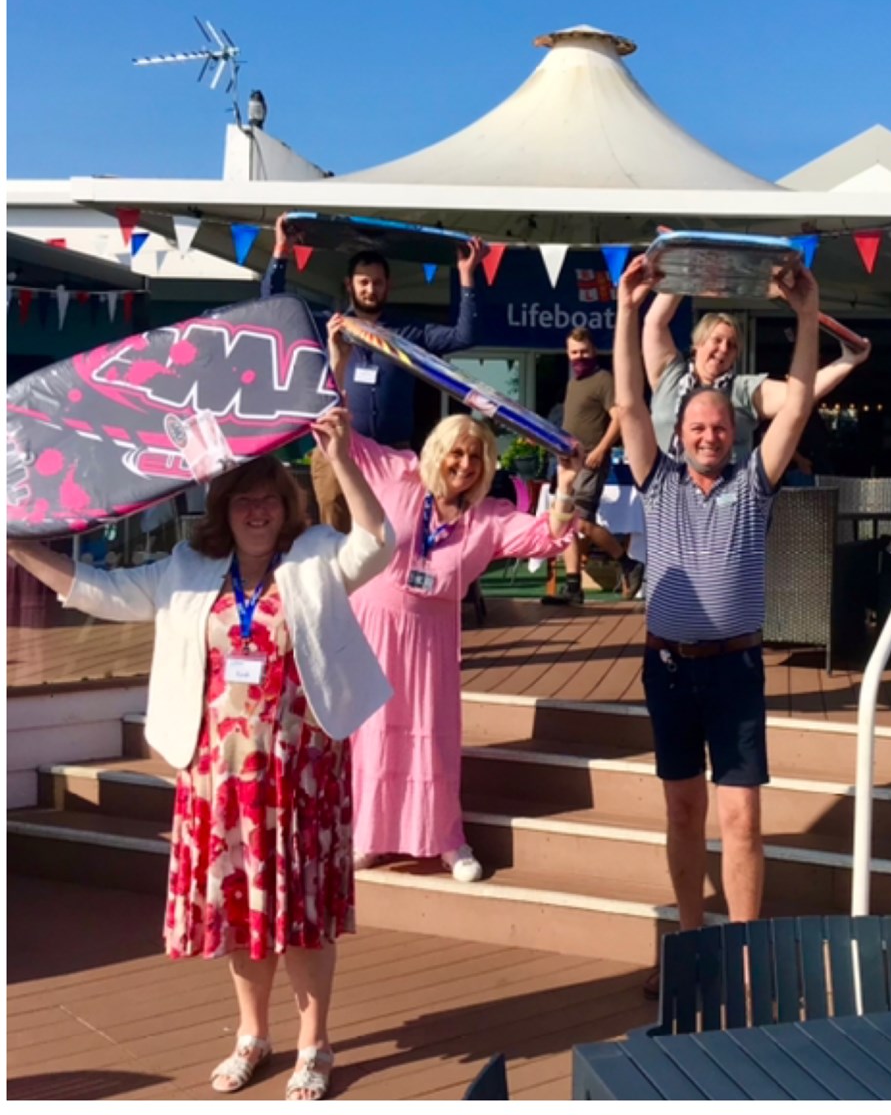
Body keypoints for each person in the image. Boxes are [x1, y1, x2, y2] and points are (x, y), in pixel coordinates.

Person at [6, 408, 393, 1100]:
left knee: (301, 914)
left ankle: (315, 1043)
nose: (257, 509)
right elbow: (99, 591)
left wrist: (341, 459)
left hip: (299, 774)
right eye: (243, 498)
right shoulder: (189, 567)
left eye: (269, 498)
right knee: (242, 911)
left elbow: (378, 543)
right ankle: (252, 1034)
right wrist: (13, 544)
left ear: (286, 506)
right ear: (222, 508)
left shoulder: (313, 559)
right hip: (218, 777)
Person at [614, 254, 821, 1000]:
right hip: (668, 668)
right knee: (681, 809)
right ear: (683, 433)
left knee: (742, 817)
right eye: (697, 426)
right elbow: (631, 404)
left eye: (718, 427)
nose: (707, 435)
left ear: (733, 434)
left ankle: (740, 960)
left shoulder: (752, 483)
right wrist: (625, 307)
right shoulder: (658, 477)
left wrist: (806, 314)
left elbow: (794, 406)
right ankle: (690, 949)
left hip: (734, 670)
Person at [327, 336, 583, 881]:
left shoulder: (487, 517)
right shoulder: (396, 473)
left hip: (431, 636)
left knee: (430, 733)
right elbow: (335, 426)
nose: (464, 464)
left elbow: (548, 537)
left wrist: (564, 485)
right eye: (456, 452)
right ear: (437, 451)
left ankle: (445, 839)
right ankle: (367, 837)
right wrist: (339, 361)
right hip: (372, 624)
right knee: (372, 731)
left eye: (475, 456)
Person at [263, 212, 487, 530]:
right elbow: (273, 310)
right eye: (363, 282)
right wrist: (281, 252)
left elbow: (464, 336)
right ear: (350, 285)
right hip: (337, 446)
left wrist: (466, 276)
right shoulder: (331, 324)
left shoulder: (407, 332)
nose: (370, 289)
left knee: (393, 534)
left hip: (391, 454)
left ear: (388, 286)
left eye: (377, 283)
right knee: (334, 537)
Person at [642, 289, 871, 462]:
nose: (723, 349)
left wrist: (847, 362)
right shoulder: (669, 376)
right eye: (717, 340)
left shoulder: (742, 389)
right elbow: (654, 323)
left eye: (731, 346)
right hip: (667, 497)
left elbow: (798, 395)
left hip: (724, 503)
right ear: (698, 343)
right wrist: (684, 272)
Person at [544, 326, 644, 605]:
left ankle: (627, 563)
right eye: (574, 352)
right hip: (568, 462)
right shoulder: (573, 383)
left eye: (584, 352)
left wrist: (601, 449)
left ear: (594, 351)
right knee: (566, 522)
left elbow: (619, 417)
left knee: (582, 522)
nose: (579, 357)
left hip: (590, 461)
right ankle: (573, 586)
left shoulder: (603, 380)